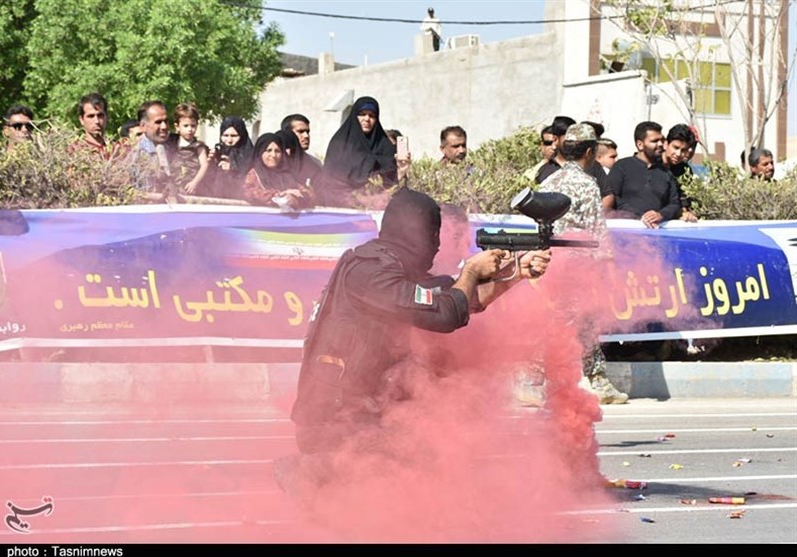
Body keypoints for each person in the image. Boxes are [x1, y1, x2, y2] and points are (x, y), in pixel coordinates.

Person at [278, 187, 551, 495]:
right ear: (417, 234)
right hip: (335, 421)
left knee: (429, 446)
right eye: (433, 235)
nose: (436, 246)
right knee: (418, 452)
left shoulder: (385, 267)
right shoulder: (372, 273)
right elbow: (446, 314)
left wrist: (516, 273)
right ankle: (311, 472)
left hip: (360, 410)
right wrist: (473, 269)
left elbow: (459, 300)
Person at [538, 123, 627, 404]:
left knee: (552, 320)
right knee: (587, 322)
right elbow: (596, 230)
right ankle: (597, 381)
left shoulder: (549, 181)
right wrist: (608, 270)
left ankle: (535, 380)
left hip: (550, 263)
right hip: (579, 265)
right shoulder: (587, 185)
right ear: (589, 152)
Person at [317, 96, 403, 207]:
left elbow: (392, 183)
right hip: (343, 207)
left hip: (380, 207)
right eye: (362, 114)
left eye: (372, 115)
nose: (367, 119)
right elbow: (332, 180)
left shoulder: (385, 146)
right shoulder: (340, 143)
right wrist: (358, 199)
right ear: (354, 116)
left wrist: (402, 170)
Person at [606, 121, 681, 228]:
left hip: (656, 232)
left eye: (661, 140)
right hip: (625, 230)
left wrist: (660, 215)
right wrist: (640, 216)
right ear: (640, 145)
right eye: (654, 141)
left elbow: (675, 204)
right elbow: (612, 198)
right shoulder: (622, 166)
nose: (660, 144)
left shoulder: (666, 173)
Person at [242, 132, 314, 210]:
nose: (273, 155)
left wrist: (296, 198)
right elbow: (249, 193)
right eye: (268, 150)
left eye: (277, 151)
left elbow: (309, 195)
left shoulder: (287, 175)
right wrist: (283, 195)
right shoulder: (253, 174)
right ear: (260, 152)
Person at [208, 116, 254, 199]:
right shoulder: (219, 151)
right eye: (225, 135)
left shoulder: (249, 156)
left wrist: (232, 168)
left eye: (234, 136)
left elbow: (247, 182)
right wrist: (210, 163)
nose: (229, 140)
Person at [132, 100, 173, 194]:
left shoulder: (171, 148)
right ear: (143, 126)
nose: (164, 126)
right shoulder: (138, 155)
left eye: (166, 121)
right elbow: (141, 192)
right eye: (158, 122)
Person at [170, 102, 210, 196]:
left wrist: (195, 182)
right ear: (177, 127)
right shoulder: (173, 144)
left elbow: (204, 165)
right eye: (186, 126)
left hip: (192, 185)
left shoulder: (198, 146)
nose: (190, 129)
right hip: (175, 185)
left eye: (193, 126)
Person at [662, 124, 697, 222]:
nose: (678, 154)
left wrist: (685, 213)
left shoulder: (684, 170)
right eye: (675, 147)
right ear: (666, 144)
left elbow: (685, 199)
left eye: (683, 150)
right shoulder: (652, 165)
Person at [72, 92, 114, 160]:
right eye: (91, 116)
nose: (96, 121)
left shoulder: (117, 150)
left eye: (100, 115)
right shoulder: (74, 151)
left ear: (106, 117)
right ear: (82, 120)